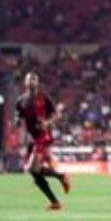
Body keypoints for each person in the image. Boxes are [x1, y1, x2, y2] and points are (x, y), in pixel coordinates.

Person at [15, 72, 71, 210]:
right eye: (29, 79)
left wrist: (46, 122)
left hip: (43, 135)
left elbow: (56, 114)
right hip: (32, 138)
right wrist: (17, 121)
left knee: (32, 168)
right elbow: (19, 116)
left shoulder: (44, 98)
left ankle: (60, 178)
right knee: (35, 172)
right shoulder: (21, 101)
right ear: (25, 82)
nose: (32, 81)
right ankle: (55, 200)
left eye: (34, 79)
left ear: (37, 82)